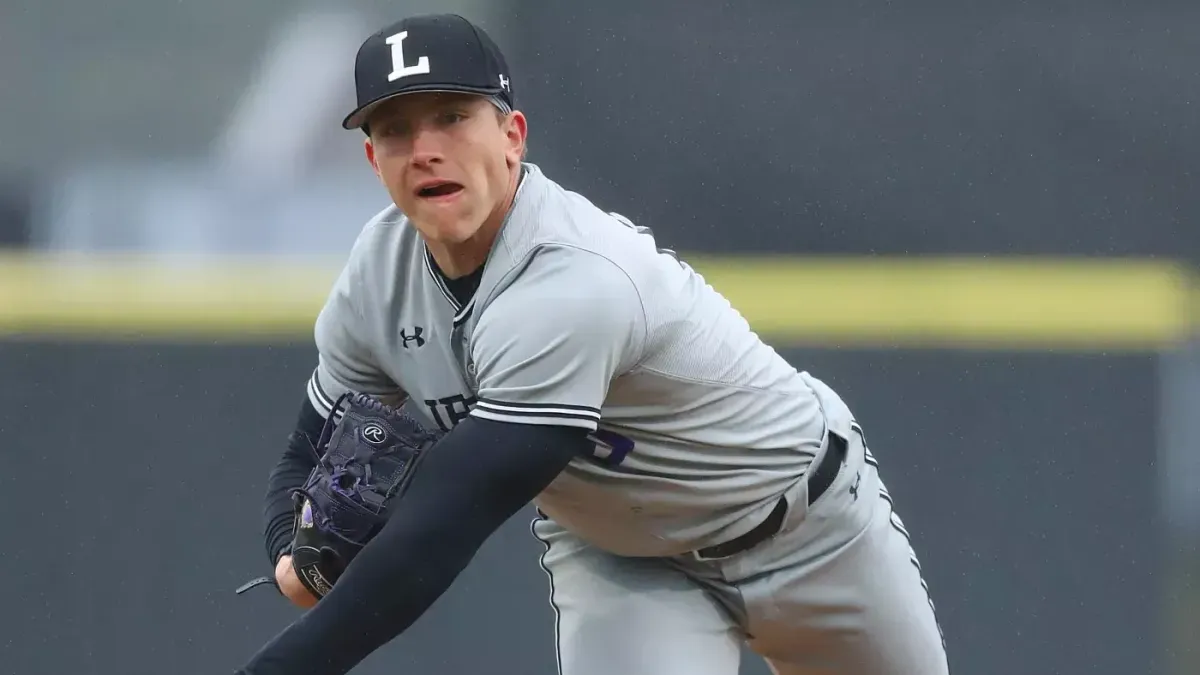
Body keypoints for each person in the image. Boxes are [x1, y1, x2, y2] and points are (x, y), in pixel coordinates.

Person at [236, 13, 950, 675]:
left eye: (452, 117)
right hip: (628, 563)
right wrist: (289, 556)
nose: (425, 150)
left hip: (813, 529)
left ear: (513, 135)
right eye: (395, 130)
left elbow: (448, 518)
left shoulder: (576, 277)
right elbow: (307, 451)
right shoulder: (376, 275)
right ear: (372, 161)